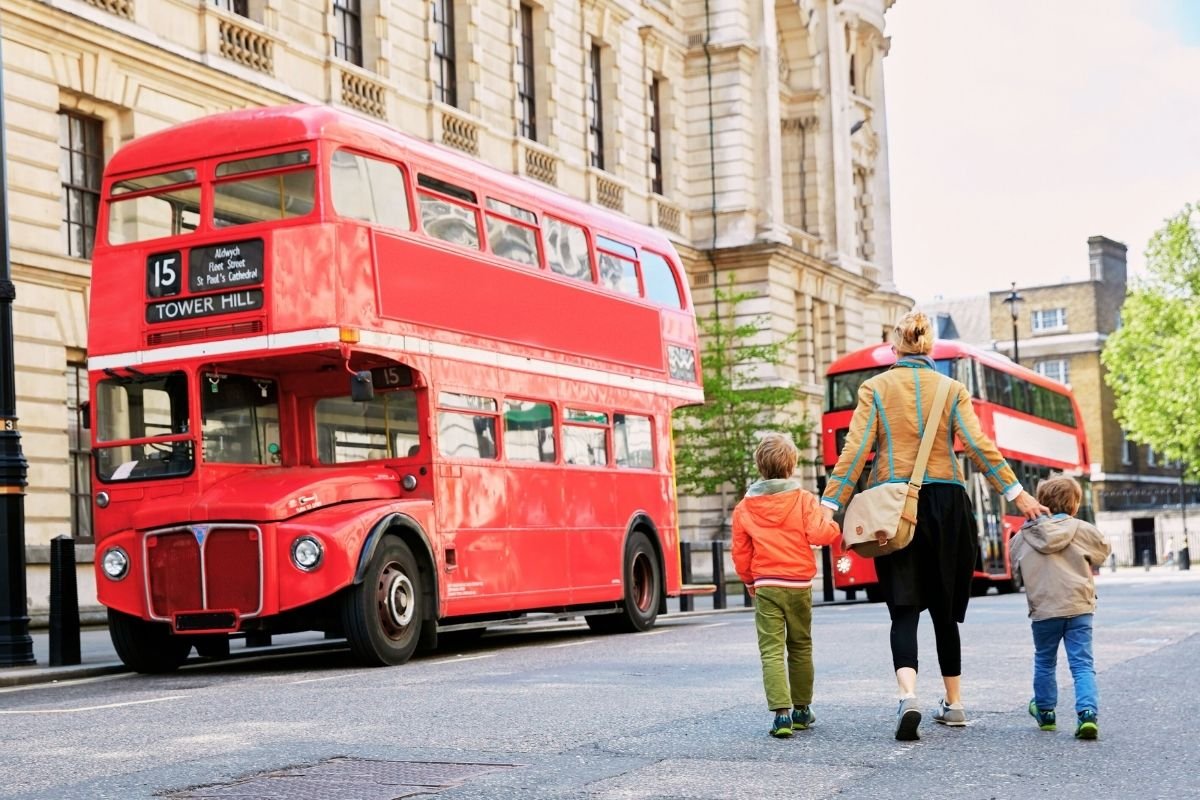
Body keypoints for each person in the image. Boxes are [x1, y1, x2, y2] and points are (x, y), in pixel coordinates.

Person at [821, 311, 1049, 741]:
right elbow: (980, 447)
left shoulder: (874, 388)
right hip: (947, 503)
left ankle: (909, 696)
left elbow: (854, 452)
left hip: (894, 506)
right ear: (928, 348)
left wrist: (830, 502)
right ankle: (955, 703)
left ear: (895, 348)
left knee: (903, 608)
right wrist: (1018, 493)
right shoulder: (952, 389)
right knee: (945, 610)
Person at [732, 433, 841, 738]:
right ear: (792, 466)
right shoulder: (804, 500)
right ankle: (802, 710)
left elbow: (741, 552)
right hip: (798, 584)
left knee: (771, 650)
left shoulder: (744, 507)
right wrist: (833, 524)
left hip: (767, 584)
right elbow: (821, 534)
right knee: (801, 646)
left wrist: (749, 581)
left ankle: (781, 716)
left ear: (759, 465)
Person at [1010, 474, 1111, 739]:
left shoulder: (1023, 535)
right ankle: (1087, 714)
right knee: (1082, 665)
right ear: (1074, 504)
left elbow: (1013, 561)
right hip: (1079, 607)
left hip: (1044, 610)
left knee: (1045, 661)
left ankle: (1045, 712)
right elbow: (1103, 551)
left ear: (1041, 502)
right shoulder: (1081, 528)